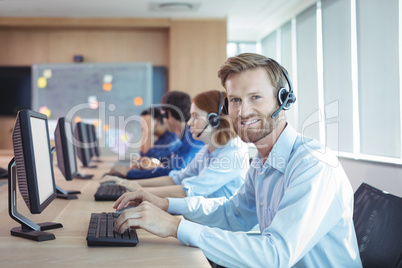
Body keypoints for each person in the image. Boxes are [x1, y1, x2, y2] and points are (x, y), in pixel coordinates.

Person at [111, 53, 362, 267]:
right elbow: (233, 214)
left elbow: (275, 255)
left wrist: (176, 227)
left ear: (283, 100)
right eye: (235, 100)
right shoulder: (261, 162)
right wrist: (165, 204)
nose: (242, 111)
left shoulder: (312, 164)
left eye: (255, 97)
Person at [103, 90, 249, 199]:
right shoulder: (206, 150)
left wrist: (139, 191)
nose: (190, 122)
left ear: (214, 121)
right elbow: (176, 178)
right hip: (206, 223)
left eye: (195, 117)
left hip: (222, 232)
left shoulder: (231, 154)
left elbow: (190, 190)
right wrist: (133, 185)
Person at [110, 91, 204, 179]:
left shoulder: (189, 138)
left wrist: (129, 173)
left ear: (168, 114)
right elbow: (168, 168)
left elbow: (170, 173)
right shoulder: (184, 138)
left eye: (163, 115)